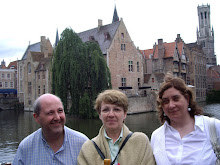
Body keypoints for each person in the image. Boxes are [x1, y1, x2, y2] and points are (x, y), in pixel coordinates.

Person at [151, 73, 220, 165]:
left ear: (187, 99)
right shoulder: (157, 136)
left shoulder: (213, 127)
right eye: (166, 101)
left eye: (176, 99)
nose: (171, 105)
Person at [77, 89, 155, 165]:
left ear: (125, 114)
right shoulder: (88, 149)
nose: (111, 114)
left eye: (116, 109)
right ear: (100, 114)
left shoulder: (141, 142)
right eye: (106, 110)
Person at [12, 93, 88, 165]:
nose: (57, 117)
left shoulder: (82, 143)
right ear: (36, 117)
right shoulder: (25, 147)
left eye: (60, 111)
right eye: (50, 113)